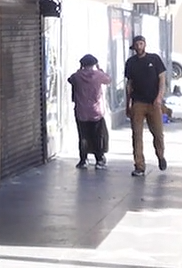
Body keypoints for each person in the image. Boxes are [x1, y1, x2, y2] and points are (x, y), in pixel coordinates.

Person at [122, 35, 168, 175]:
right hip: (138, 102)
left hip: (154, 102)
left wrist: (159, 97)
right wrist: (128, 104)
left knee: (158, 133)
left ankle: (160, 155)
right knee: (137, 135)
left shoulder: (154, 59)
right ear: (134, 47)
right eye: (137, 44)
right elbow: (129, 84)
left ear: (145, 44)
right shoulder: (131, 63)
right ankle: (139, 165)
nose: (139, 46)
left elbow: (162, 79)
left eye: (141, 43)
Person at [68, 55, 111, 169]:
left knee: (83, 136)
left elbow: (70, 80)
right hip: (96, 112)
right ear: (94, 64)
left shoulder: (77, 76)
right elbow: (108, 79)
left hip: (81, 112)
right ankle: (99, 160)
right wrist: (100, 69)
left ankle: (83, 160)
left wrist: (79, 70)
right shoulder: (98, 75)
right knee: (97, 136)